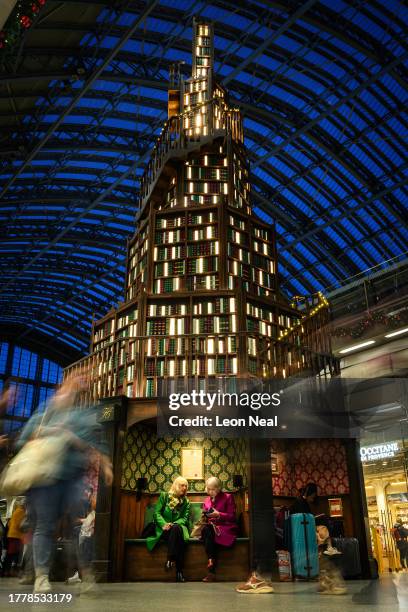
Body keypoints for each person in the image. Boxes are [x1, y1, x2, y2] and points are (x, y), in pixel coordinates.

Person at [16, 375, 113, 594]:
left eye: (74, 390)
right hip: (44, 479)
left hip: (73, 477)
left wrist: (106, 464)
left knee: (80, 526)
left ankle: (86, 572)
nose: (70, 392)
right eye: (66, 388)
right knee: (45, 526)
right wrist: (48, 433)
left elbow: (97, 442)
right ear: (59, 390)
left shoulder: (82, 416)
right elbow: (23, 441)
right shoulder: (44, 412)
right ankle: (41, 575)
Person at [146, 476, 190, 582]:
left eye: (186, 486)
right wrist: (164, 524)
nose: (184, 488)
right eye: (182, 485)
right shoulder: (164, 496)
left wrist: (173, 524)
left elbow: (184, 518)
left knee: (176, 529)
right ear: (175, 486)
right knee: (178, 538)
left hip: (178, 528)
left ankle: (170, 558)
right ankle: (179, 572)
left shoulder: (186, 502)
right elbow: (157, 513)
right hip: (164, 530)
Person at [200, 476, 238, 582]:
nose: (210, 492)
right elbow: (206, 517)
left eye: (213, 489)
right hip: (210, 528)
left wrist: (218, 514)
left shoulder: (228, 497)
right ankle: (211, 563)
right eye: (208, 489)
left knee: (208, 533)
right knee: (208, 529)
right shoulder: (206, 500)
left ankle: (211, 565)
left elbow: (232, 517)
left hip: (226, 527)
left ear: (218, 488)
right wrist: (204, 516)